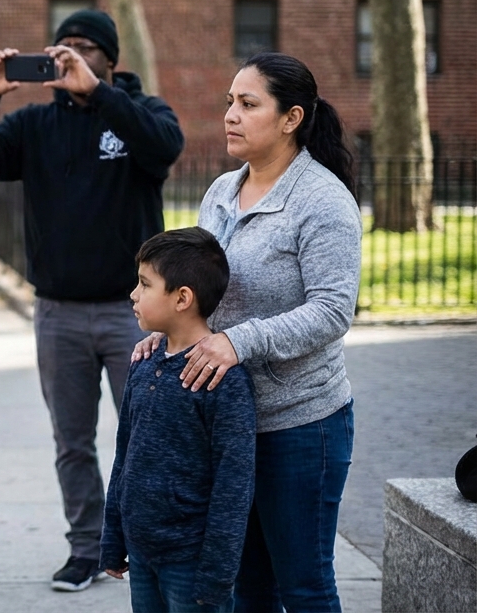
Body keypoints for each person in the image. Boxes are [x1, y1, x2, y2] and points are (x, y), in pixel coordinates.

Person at [0, 9, 185, 591]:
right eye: (62, 45)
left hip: (134, 315)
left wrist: (100, 96)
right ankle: (88, 549)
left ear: (109, 58)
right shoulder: (34, 124)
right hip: (57, 313)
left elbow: (165, 148)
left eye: (83, 46)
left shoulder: (139, 113)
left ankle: (147, 547)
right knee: (72, 442)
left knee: (149, 437)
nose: (70, 54)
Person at [137, 52, 362, 612]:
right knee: (243, 588)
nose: (231, 116)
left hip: (299, 426)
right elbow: (197, 289)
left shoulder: (322, 201)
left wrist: (241, 341)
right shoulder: (219, 191)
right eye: (229, 104)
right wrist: (169, 335)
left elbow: (334, 310)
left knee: (304, 584)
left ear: (291, 118)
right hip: (224, 423)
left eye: (248, 104)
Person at [101, 227, 254, 613]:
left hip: (191, 562)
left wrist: (217, 575)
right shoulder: (143, 363)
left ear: (182, 297)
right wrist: (113, 538)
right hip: (141, 550)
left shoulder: (224, 380)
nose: (133, 294)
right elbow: (125, 458)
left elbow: (233, 485)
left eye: (144, 284)